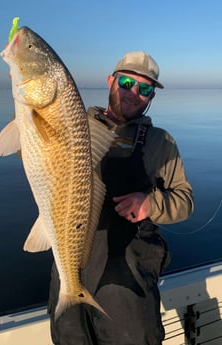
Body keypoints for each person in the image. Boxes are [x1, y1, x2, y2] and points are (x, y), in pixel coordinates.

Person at [48, 51, 194, 345]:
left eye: (144, 89)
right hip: (70, 272)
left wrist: (150, 203)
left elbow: (185, 201)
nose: (133, 93)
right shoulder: (75, 128)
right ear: (110, 81)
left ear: (152, 96)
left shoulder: (160, 142)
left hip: (129, 285)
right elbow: (35, 153)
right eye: (127, 82)